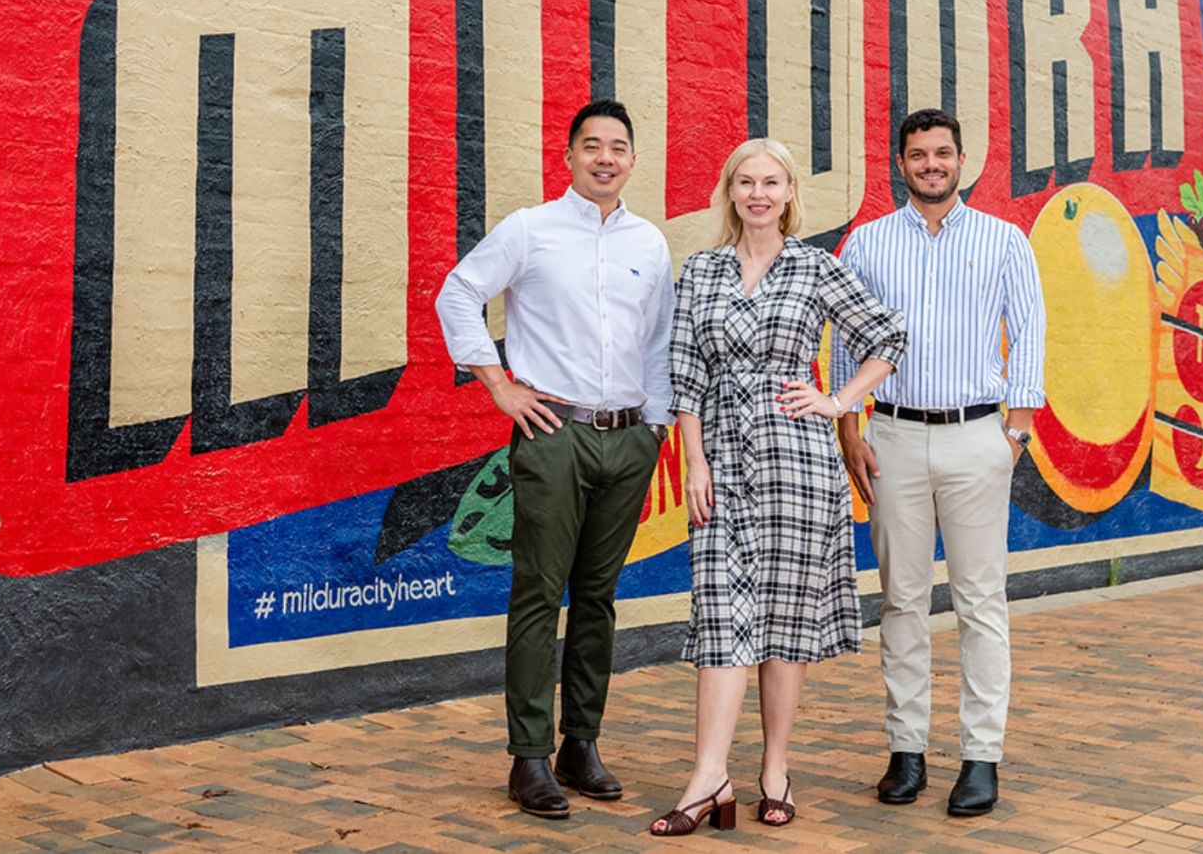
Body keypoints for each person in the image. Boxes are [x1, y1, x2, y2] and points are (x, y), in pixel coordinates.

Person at [649, 139, 905, 836]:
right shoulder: (700, 271)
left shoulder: (816, 267)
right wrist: (693, 462)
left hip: (796, 461)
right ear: (730, 192)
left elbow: (888, 335)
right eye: (746, 182)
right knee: (722, 616)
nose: (758, 193)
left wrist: (838, 399)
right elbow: (686, 375)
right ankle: (709, 775)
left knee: (782, 624)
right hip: (722, 463)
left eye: (771, 182)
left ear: (791, 193)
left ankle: (774, 769)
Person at [435, 99, 674, 820]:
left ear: (634, 160)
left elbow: (658, 342)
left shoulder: (650, 243)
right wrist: (500, 386)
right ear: (568, 156)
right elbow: (458, 294)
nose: (606, 157)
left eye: (619, 147)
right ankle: (529, 757)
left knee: (598, 596)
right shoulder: (530, 230)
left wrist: (655, 431)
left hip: (630, 438)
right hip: (554, 434)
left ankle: (581, 744)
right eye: (592, 145)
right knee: (540, 594)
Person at [832, 108, 1045, 818]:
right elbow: (842, 336)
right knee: (901, 600)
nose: (931, 164)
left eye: (942, 153)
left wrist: (1014, 434)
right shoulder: (866, 244)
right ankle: (907, 750)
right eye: (918, 154)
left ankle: (981, 757)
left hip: (975, 436)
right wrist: (849, 428)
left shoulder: (1004, 240)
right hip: (891, 438)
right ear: (901, 162)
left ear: (961, 161)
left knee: (981, 603)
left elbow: (1031, 332)